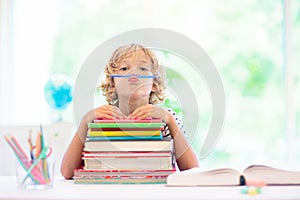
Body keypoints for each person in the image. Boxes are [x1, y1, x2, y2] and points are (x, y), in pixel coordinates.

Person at [60, 43, 199, 179]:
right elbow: (67, 172)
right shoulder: (98, 119)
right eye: (125, 68)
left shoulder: (167, 118)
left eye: (143, 68)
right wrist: (85, 121)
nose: (133, 73)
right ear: (112, 83)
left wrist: (170, 121)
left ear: (154, 85)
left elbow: (192, 170)